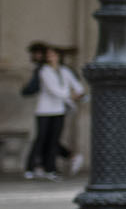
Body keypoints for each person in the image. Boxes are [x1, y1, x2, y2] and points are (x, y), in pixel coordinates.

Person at [22, 45, 84, 181]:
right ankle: (31, 167)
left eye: (53, 55)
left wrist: (78, 93)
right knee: (41, 138)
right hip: (44, 111)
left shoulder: (64, 71)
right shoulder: (44, 71)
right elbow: (54, 90)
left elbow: (77, 86)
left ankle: (50, 169)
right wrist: (71, 95)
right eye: (49, 55)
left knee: (54, 140)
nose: (51, 58)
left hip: (59, 110)